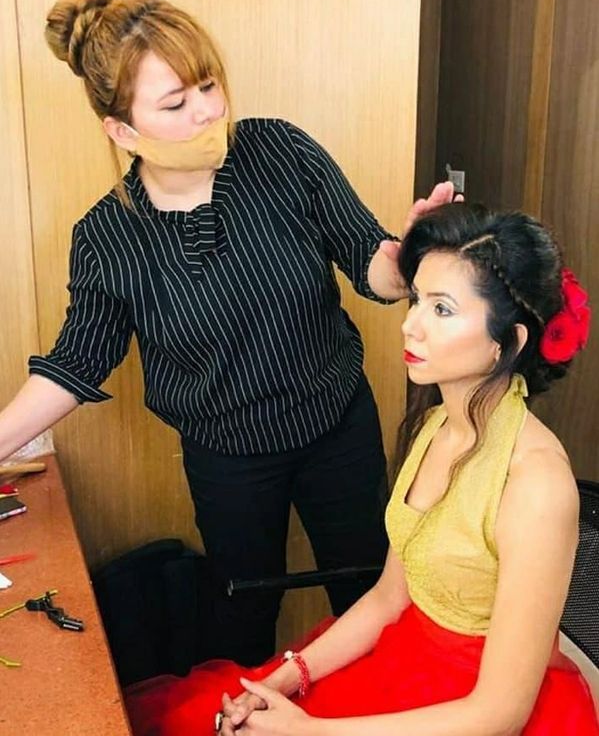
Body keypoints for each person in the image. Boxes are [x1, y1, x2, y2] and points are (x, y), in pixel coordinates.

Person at [0, 0, 455, 665]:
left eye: (208, 85)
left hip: (338, 425)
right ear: (121, 130)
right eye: (175, 104)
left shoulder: (279, 151)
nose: (208, 110)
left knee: (369, 594)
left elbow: (370, 265)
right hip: (228, 459)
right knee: (243, 611)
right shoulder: (106, 236)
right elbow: (78, 361)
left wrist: (404, 257)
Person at [123, 203, 598, 735]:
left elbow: (500, 714)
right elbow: (389, 597)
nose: (409, 325)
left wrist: (311, 731)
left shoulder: (536, 485)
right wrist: (284, 678)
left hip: (471, 711)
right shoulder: (437, 421)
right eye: (416, 299)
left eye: (441, 310)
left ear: (505, 344)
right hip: (406, 657)